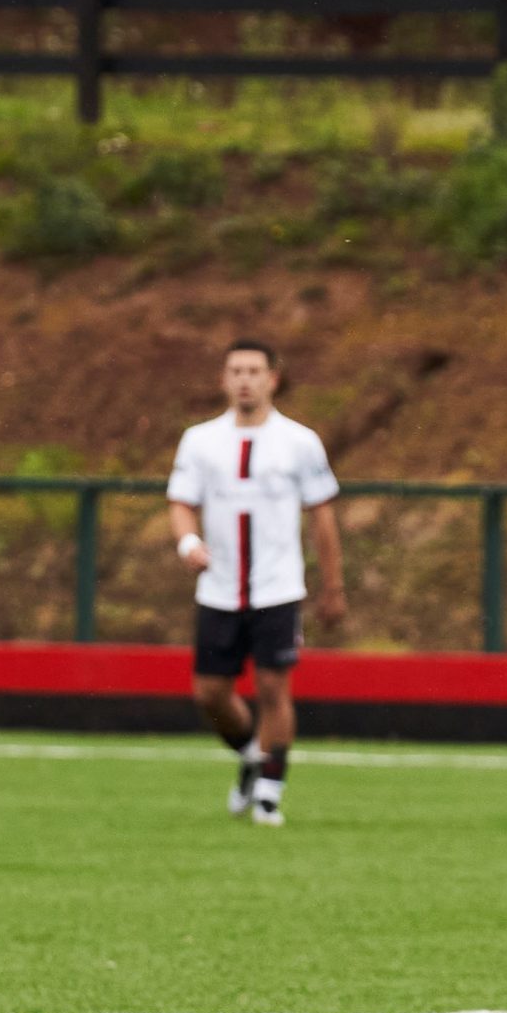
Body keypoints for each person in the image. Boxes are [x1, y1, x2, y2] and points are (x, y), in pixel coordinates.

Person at [166, 340, 343, 827]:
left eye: (254, 370)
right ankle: (250, 753)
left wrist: (332, 588)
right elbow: (181, 502)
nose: (245, 379)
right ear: (223, 379)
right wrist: (188, 544)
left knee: (272, 686)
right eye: (236, 370)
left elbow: (322, 515)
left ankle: (269, 788)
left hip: (278, 587)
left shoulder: (300, 441)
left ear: (273, 379)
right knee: (209, 693)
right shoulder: (200, 440)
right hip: (219, 588)